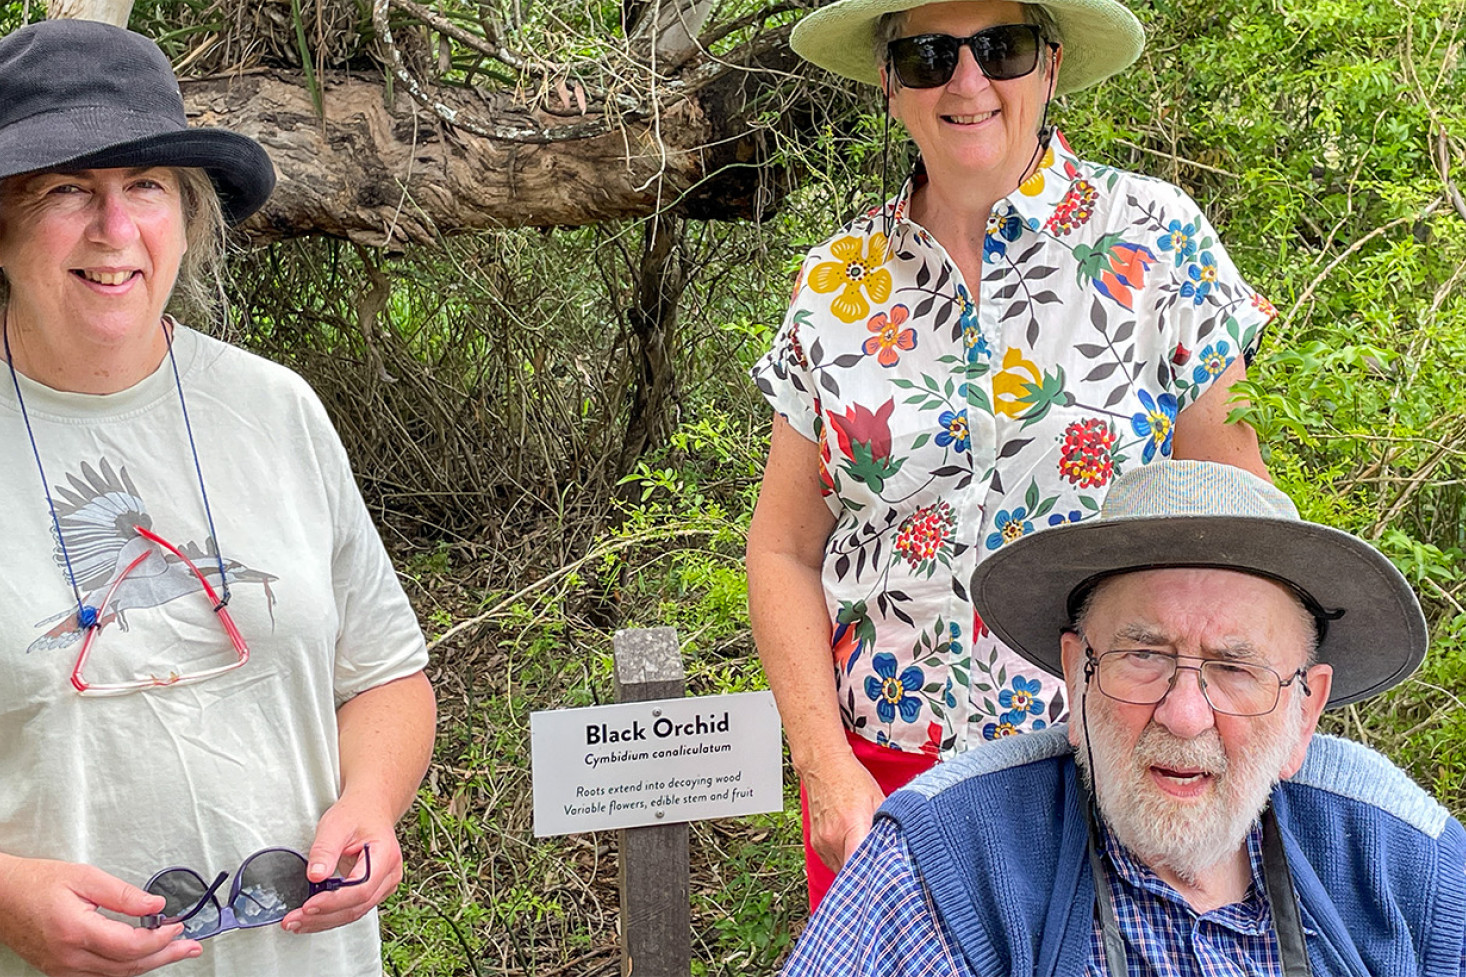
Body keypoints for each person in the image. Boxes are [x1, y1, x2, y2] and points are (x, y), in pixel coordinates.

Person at [747, 0, 1276, 908]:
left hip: (1113, 772)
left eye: (1003, 47)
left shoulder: (1156, 240)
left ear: (1052, 65)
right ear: (888, 82)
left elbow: (1240, 532)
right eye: (927, 55)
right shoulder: (834, 284)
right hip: (883, 788)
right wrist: (825, 767)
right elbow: (783, 548)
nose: (968, 81)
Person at [0, 19, 435, 977]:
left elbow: (387, 675)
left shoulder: (275, 408)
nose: (116, 230)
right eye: (67, 188)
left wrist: (371, 806)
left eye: (146, 187)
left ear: (189, 217)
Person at [781, 460, 1466, 975]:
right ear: (1078, 673)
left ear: (1305, 708)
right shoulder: (939, 869)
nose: (1187, 713)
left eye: (1235, 667)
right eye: (1144, 654)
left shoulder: (1408, 864)